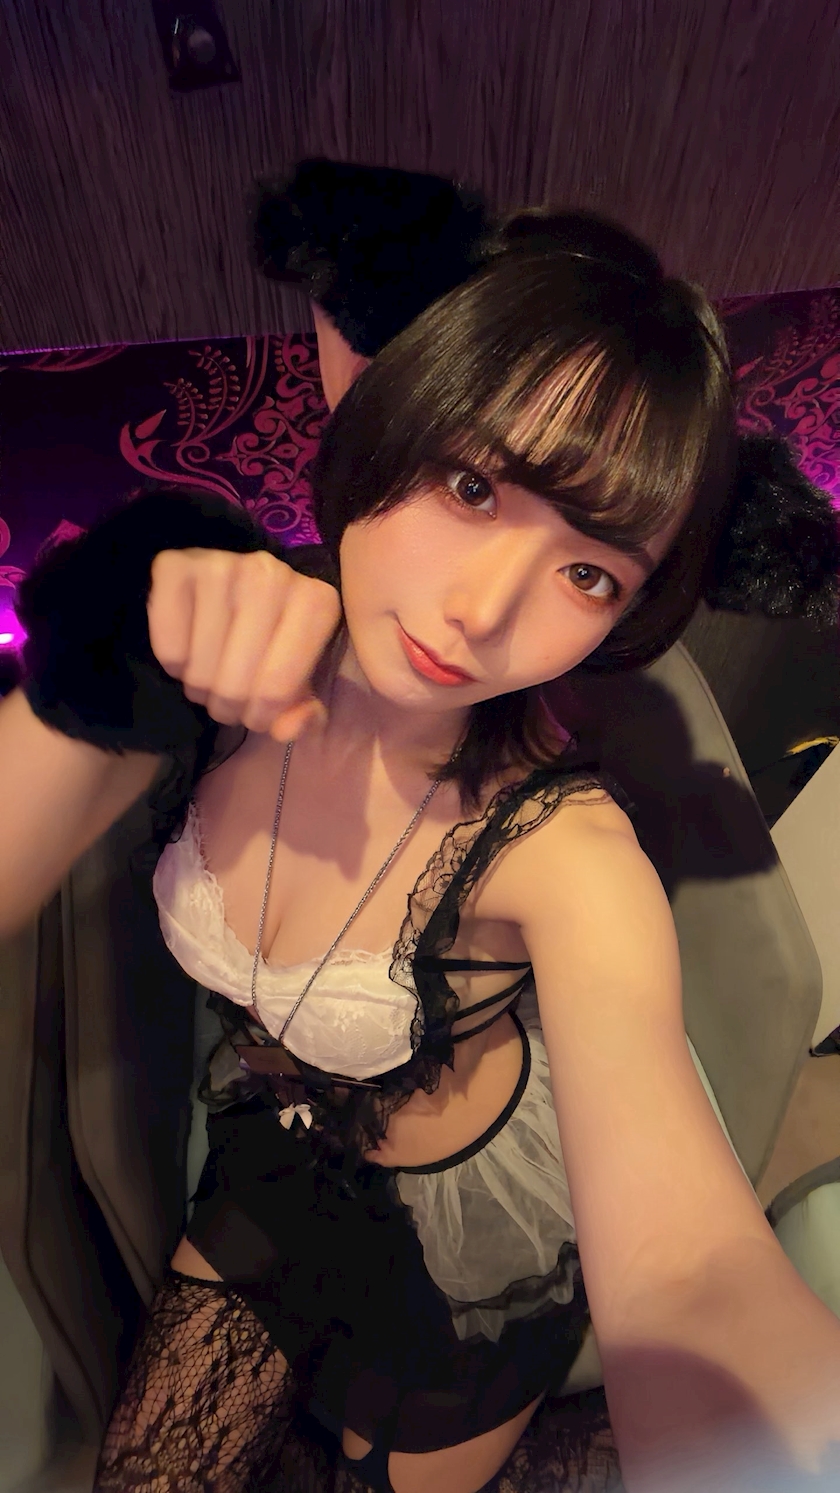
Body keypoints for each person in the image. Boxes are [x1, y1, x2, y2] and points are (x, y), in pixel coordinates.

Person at [3, 195, 840, 1493]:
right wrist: (92, 679)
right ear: (373, 388)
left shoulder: (566, 853)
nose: (483, 608)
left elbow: (692, 1270)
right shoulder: (219, 651)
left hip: (470, 1238)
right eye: (470, 483)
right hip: (275, 1152)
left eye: (590, 572)